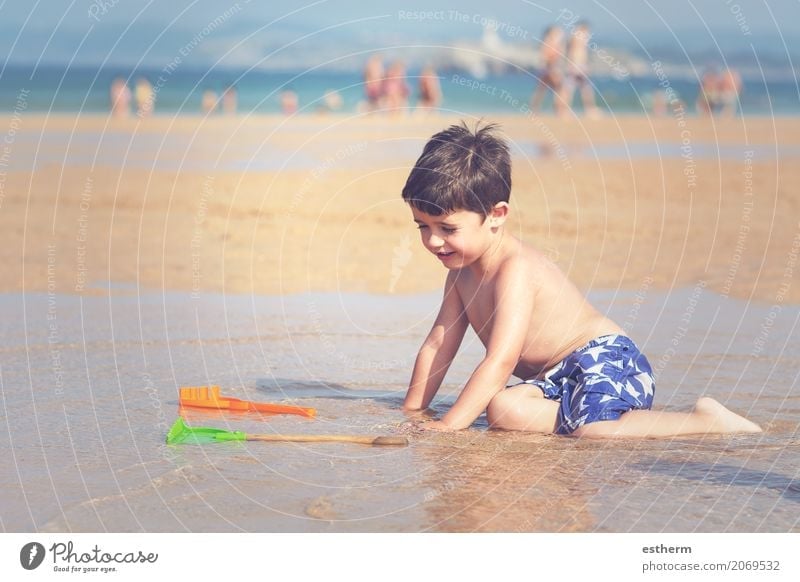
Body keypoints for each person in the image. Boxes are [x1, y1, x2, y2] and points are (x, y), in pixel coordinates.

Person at [401, 122, 762, 437]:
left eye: (447, 228)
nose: (433, 241)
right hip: (552, 380)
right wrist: (413, 412)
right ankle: (583, 417)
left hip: (607, 362)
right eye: (423, 227)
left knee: (594, 431)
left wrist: (449, 426)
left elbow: (501, 360)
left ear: (496, 215)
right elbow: (438, 346)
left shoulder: (516, 269)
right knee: (503, 411)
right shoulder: (460, 273)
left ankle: (705, 421)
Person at [560, 21, 599, 117]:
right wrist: (573, 66)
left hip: (580, 67)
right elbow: (572, 53)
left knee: (584, 89)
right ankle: (564, 110)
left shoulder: (579, 39)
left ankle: (589, 109)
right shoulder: (576, 39)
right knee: (570, 89)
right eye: (586, 31)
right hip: (576, 67)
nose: (588, 34)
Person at [530, 25, 565, 115]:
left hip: (548, 69)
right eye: (557, 33)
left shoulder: (554, 43)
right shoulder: (548, 43)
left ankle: (535, 109)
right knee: (558, 88)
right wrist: (552, 68)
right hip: (549, 69)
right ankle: (558, 109)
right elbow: (545, 57)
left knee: (542, 89)